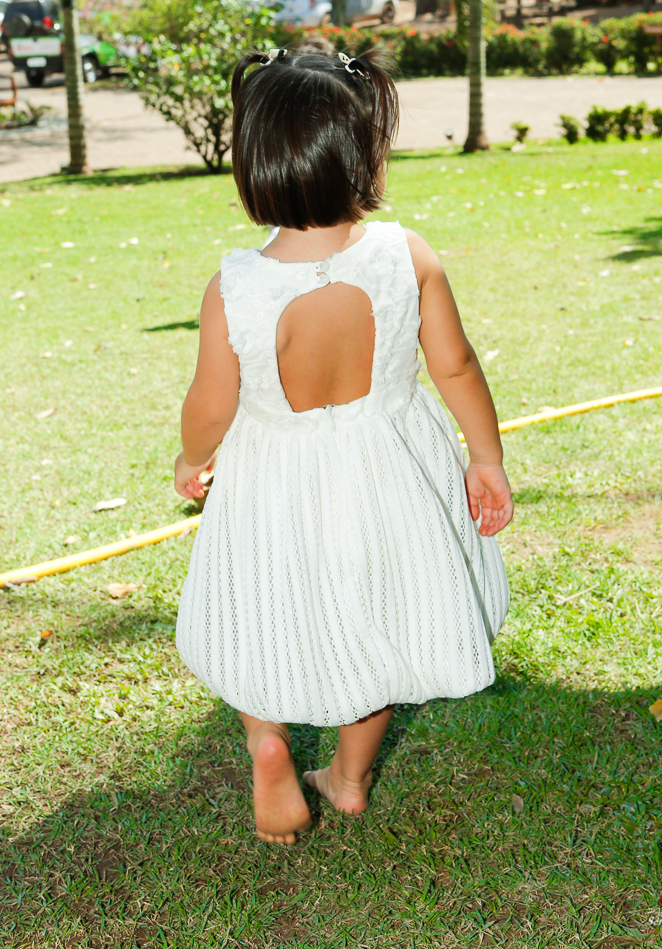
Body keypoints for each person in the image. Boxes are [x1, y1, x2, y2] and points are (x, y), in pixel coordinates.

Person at [174, 46, 513, 845]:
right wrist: (486, 458)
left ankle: (268, 739)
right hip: (388, 475)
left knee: (264, 610)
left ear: (253, 163)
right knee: (382, 621)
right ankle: (349, 779)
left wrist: (192, 461)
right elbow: (457, 365)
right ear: (367, 151)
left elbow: (210, 403)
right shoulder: (407, 256)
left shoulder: (235, 287)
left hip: (274, 482)